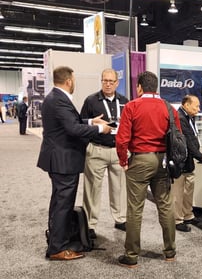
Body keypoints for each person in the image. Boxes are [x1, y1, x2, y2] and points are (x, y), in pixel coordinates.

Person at [37, 66, 112, 261]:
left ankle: (55, 237)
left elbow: (70, 122)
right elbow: (71, 129)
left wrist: (89, 122)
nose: (74, 83)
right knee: (63, 204)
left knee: (58, 202)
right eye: (74, 79)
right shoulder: (59, 100)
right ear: (69, 80)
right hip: (63, 160)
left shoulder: (54, 98)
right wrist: (99, 130)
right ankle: (57, 248)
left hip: (58, 159)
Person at [115, 71, 181, 268]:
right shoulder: (169, 108)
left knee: (135, 209)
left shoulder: (132, 106)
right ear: (157, 87)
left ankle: (132, 255)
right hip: (163, 160)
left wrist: (123, 160)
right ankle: (170, 251)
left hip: (140, 160)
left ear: (140, 87)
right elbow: (177, 137)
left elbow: (122, 138)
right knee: (166, 205)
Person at [80, 69, 129, 239]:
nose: (107, 84)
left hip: (117, 151)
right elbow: (80, 122)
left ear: (117, 83)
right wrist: (92, 122)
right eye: (104, 80)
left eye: (111, 81)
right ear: (101, 82)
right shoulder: (91, 100)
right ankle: (90, 223)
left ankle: (121, 218)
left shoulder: (125, 101)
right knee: (92, 188)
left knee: (120, 187)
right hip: (97, 149)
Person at [172, 95, 202, 232]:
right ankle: (177, 220)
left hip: (189, 160)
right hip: (180, 161)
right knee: (178, 193)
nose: (198, 108)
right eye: (196, 106)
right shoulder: (180, 118)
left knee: (188, 190)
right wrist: (201, 156)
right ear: (186, 105)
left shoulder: (190, 117)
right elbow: (187, 141)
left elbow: (192, 138)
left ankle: (188, 215)